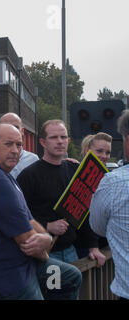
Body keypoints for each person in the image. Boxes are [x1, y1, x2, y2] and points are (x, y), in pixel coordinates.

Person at [0, 123, 81, 300]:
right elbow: (29, 241)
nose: (15, 150)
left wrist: (45, 238)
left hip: (23, 264)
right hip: (6, 276)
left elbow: (29, 220)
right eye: (8, 144)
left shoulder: (4, 174)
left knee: (70, 276)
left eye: (19, 145)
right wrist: (46, 244)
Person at [17, 120, 105, 266]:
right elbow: (17, 215)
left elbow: (84, 211)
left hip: (71, 250)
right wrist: (47, 226)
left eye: (63, 137)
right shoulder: (28, 175)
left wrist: (93, 247)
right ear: (43, 142)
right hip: (45, 253)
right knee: (54, 289)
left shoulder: (74, 169)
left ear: (68, 141)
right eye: (54, 137)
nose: (59, 142)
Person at [90, 110, 129, 300]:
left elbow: (97, 226)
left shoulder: (112, 182)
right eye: (99, 151)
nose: (104, 156)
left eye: (107, 152)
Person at [0, 112, 39, 179]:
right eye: (6, 127)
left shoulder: (33, 161)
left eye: (15, 127)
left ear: (22, 131)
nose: (11, 131)